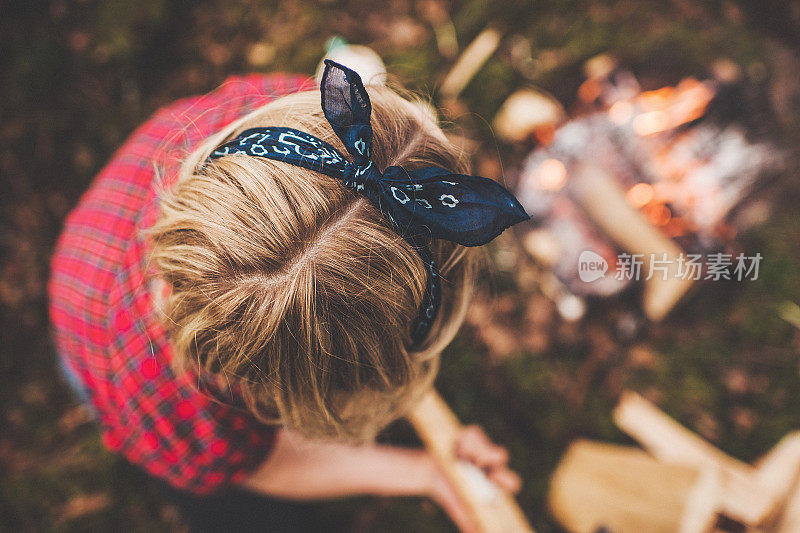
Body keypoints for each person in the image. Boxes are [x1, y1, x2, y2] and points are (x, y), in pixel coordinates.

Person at [49, 59, 528, 532]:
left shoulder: (277, 125)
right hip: (87, 335)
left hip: (104, 225)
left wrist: (431, 472)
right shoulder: (182, 424)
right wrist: (418, 473)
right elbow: (265, 465)